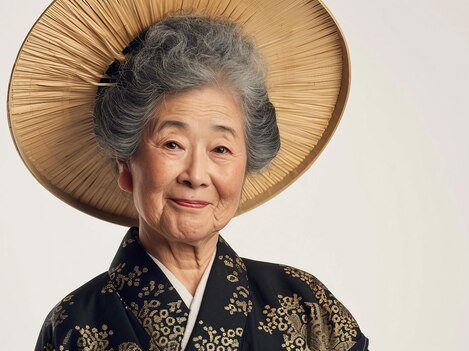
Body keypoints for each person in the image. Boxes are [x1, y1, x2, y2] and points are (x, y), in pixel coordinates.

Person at [7, 1, 368, 351]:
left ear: (246, 166)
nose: (196, 175)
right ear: (126, 164)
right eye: (173, 144)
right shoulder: (74, 328)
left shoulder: (305, 308)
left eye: (221, 149)